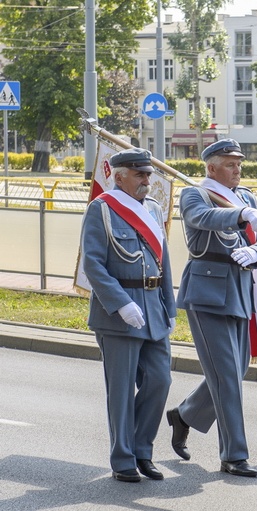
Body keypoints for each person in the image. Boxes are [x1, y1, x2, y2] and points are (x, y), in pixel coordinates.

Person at [165, 139, 257, 478]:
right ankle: (234, 455)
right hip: (208, 292)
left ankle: (184, 415)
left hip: (241, 290)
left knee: (235, 369)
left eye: (239, 163)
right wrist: (240, 214)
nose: (237, 169)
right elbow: (202, 218)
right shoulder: (195, 194)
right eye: (230, 164)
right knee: (227, 376)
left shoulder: (248, 198)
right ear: (211, 168)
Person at [80, 148, 176, 482]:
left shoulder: (151, 208)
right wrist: (120, 302)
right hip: (119, 313)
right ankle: (123, 459)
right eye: (139, 174)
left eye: (148, 174)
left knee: (160, 380)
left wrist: (170, 306)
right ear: (119, 176)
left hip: (153, 308)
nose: (147, 181)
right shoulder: (102, 209)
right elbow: (92, 263)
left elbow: (163, 263)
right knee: (120, 391)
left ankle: (142, 450)